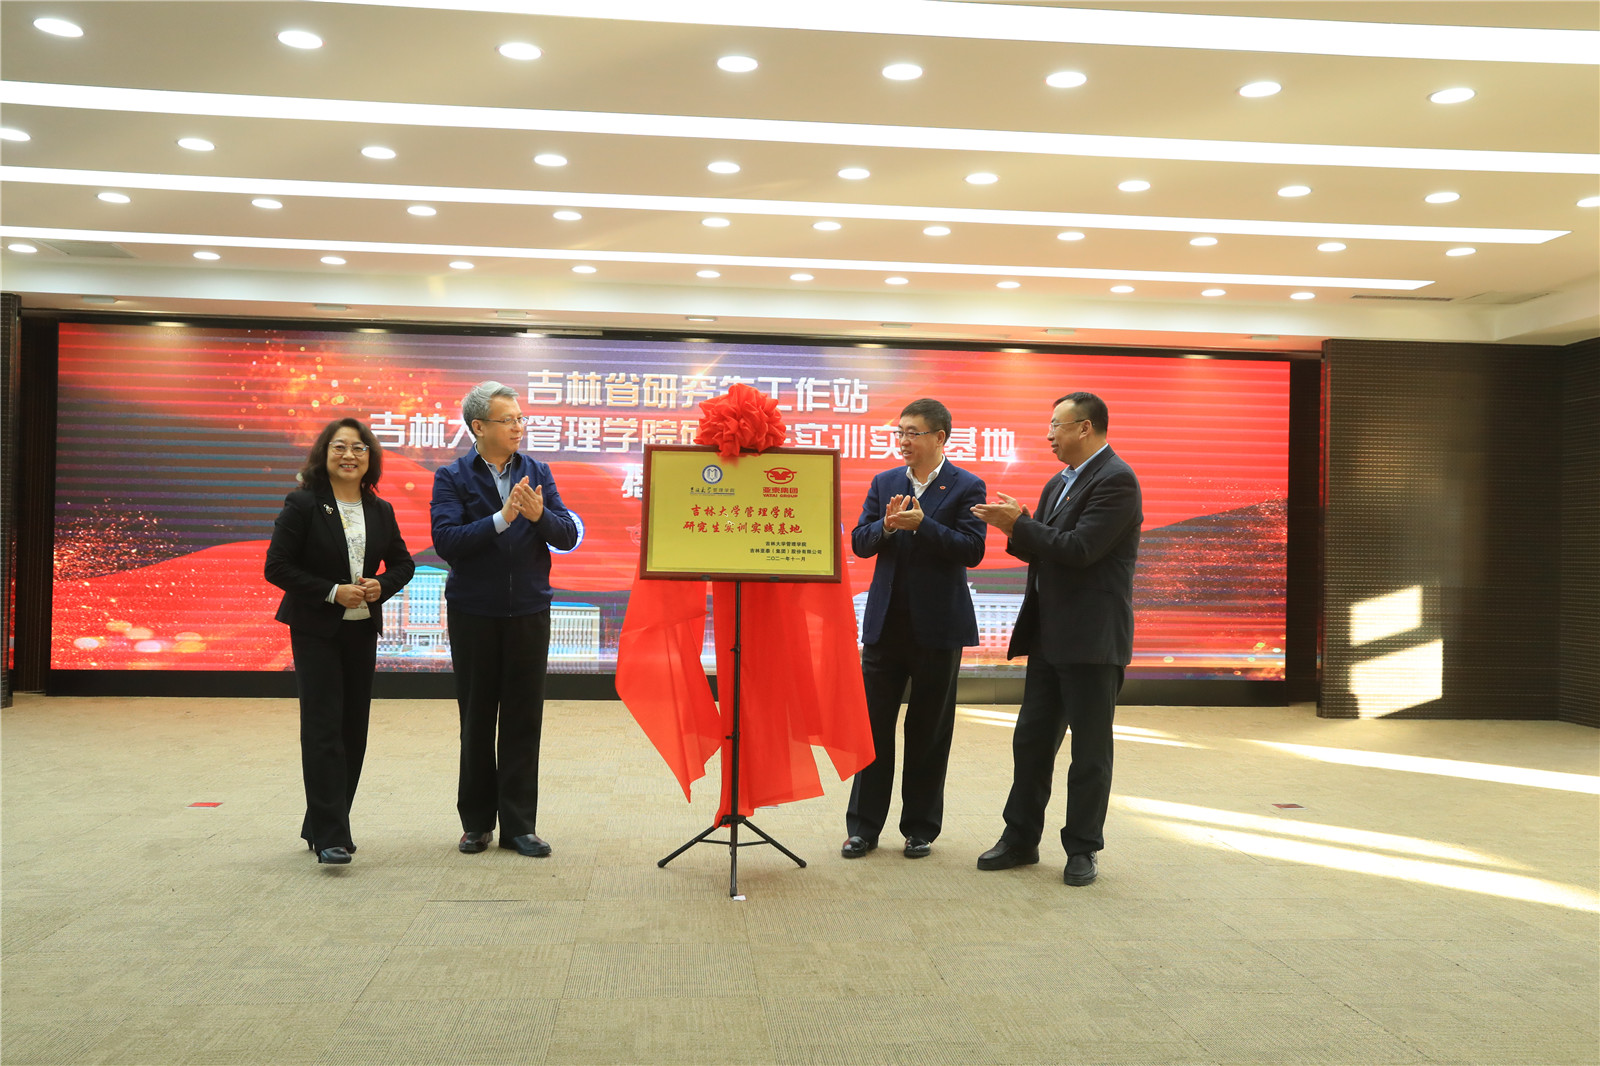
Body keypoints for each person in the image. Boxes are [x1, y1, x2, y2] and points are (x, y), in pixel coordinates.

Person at [971, 392, 1141, 886]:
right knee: (1032, 742)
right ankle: (1020, 839)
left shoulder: (1116, 480)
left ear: (1085, 427)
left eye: (1056, 425)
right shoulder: (1058, 482)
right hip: (1049, 634)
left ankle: (1083, 848)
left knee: (1089, 752)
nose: (1048, 435)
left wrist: (1020, 525)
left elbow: (1081, 549)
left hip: (1092, 639)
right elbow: (1043, 550)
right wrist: (1016, 527)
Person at [431, 381, 578, 858]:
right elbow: (446, 541)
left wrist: (538, 516)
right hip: (474, 612)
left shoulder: (537, 471)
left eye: (520, 419)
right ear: (479, 426)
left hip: (529, 611)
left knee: (522, 718)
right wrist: (502, 517)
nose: (519, 426)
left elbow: (566, 535)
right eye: (508, 419)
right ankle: (476, 824)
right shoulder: (451, 476)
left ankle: (519, 825)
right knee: (476, 719)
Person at [265, 418, 415, 866]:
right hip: (316, 629)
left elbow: (404, 564)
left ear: (370, 458)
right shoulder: (303, 503)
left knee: (353, 731)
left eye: (359, 448)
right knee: (324, 728)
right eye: (340, 447)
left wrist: (381, 586)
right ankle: (332, 834)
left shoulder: (380, 509)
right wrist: (332, 592)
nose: (350, 455)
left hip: (360, 629)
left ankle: (321, 824)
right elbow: (277, 566)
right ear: (324, 454)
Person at [842, 398, 987, 860]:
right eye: (900, 432)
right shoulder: (885, 481)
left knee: (928, 732)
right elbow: (859, 542)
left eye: (913, 433)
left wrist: (925, 526)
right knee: (873, 729)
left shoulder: (966, 485)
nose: (903, 441)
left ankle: (920, 828)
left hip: (937, 630)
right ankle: (863, 827)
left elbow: (972, 550)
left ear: (940, 437)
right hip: (885, 627)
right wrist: (885, 528)